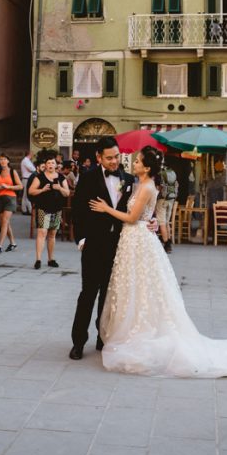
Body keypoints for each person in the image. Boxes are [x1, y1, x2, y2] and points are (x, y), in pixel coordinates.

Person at [90, 146, 227, 378]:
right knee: (134, 286)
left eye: (137, 161)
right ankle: (131, 329)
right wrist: (154, 221)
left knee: (141, 286)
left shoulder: (146, 187)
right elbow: (148, 215)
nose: (133, 164)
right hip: (133, 239)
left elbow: (132, 217)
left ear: (147, 167)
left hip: (137, 239)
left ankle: (140, 332)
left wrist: (106, 209)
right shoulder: (138, 183)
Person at [69, 136, 135, 359]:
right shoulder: (87, 179)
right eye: (109, 158)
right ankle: (78, 341)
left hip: (118, 247)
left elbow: (133, 213)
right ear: (99, 157)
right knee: (88, 294)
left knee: (109, 295)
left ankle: (102, 337)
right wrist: (81, 239)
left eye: (116, 156)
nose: (114, 161)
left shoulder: (129, 179)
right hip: (93, 245)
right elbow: (77, 211)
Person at [28, 150, 69, 269]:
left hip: (57, 209)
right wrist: (42, 190)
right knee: (42, 232)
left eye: (53, 163)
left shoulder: (61, 177)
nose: (51, 165)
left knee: (52, 234)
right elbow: (31, 191)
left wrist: (60, 188)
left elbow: (67, 193)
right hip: (44, 208)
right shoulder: (39, 177)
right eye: (49, 163)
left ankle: (51, 259)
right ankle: (38, 259)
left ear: (56, 165)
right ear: (45, 165)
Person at [0, 153, 22, 254]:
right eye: (1, 159)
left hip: (10, 198)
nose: (2, 161)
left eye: (4, 159)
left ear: (8, 161)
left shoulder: (13, 171)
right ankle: (13, 243)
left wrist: (8, 187)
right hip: (0, 198)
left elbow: (20, 186)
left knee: (5, 222)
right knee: (4, 223)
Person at [155, 160, 178, 253]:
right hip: (171, 199)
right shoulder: (172, 173)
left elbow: (158, 187)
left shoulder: (160, 174)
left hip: (162, 200)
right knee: (167, 222)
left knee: (162, 222)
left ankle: (167, 244)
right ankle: (169, 241)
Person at [20, 149, 35, 216]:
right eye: (32, 153)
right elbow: (32, 169)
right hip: (26, 179)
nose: (33, 154)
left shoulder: (27, 160)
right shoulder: (25, 160)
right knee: (25, 195)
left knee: (26, 195)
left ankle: (27, 209)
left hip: (28, 179)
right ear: (29, 153)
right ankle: (25, 210)